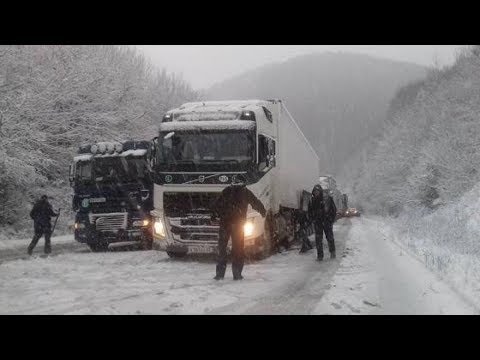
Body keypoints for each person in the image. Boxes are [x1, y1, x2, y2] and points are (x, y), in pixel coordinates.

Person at [212, 178, 267, 281]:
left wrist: (213, 215)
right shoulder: (245, 192)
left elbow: (217, 204)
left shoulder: (227, 190)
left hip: (225, 223)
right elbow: (255, 202)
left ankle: (220, 274)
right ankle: (237, 274)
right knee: (238, 249)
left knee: (222, 248)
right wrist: (263, 211)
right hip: (238, 225)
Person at [308, 185, 337, 261]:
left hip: (327, 222)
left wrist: (330, 219)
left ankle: (332, 252)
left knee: (330, 238)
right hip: (318, 223)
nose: (316, 193)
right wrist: (312, 219)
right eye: (314, 191)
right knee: (318, 240)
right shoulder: (312, 201)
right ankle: (320, 256)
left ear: (320, 191)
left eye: (317, 191)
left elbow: (334, 210)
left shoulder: (327, 199)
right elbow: (309, 212)